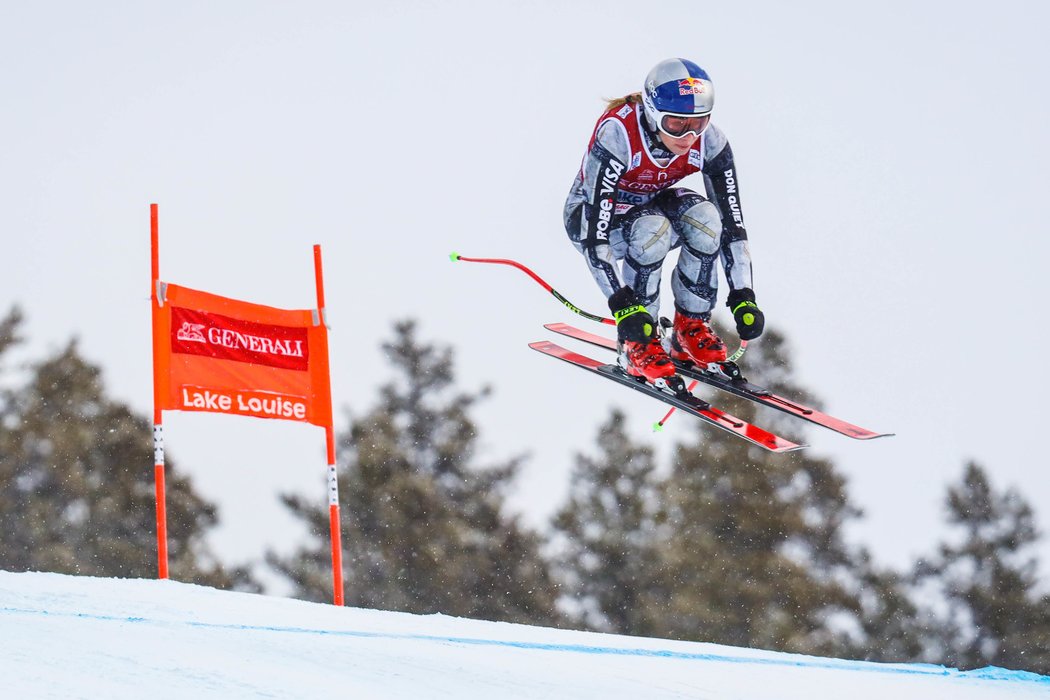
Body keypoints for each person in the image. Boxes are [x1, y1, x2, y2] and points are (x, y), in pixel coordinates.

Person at [563, 58, 765, 386]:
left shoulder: (711, 142)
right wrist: (623, 305)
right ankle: (637, 345)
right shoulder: (619, 133)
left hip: (648, 207)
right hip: (592, 220)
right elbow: (593, 234)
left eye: (698, 123)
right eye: (676, 124)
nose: (687, 136)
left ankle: (689, 328)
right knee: (652, 229)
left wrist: (744, 293)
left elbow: (732, 226)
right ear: (654, 113)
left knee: (707, 220)